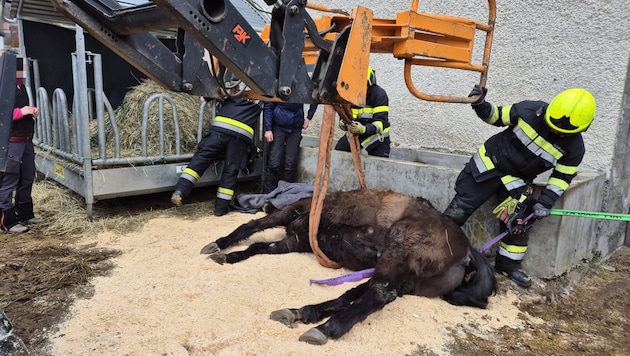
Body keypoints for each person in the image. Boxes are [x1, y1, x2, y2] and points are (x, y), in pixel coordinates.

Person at [443, 85, 597, 288]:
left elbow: (562, 177)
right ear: (548, 111)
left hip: (516, 181)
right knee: (459, 209)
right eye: (553, 128)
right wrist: (480, 104)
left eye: (563, 134)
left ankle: (508, 265)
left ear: (582, 129)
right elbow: (496, 116)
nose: (557, 134)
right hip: (489, 164)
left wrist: (545, 203)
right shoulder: (529, 111)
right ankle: (434, 248)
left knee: (519, 222)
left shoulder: (575, 149)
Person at [170, 93, 263, 216]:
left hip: (221, 127)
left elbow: (214, 90)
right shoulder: (264, 91)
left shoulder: (236, 85)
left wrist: (205, 98)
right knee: (231, 169)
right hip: (241, 134)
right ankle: (221, 208)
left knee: (202, 158)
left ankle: (181, 190)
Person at [0, 62, 44, 233]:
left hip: (25, 139)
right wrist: (21, 112)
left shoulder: (20, 86)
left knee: (27, 177)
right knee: (9, 179)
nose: (22, 70)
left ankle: (25, 213)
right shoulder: (3, 84)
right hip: (11, 141)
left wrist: (31, 112)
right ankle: (8, 222)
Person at [261, 102, 317, 194]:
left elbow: (315, 98)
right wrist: (268, 129)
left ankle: (287, 194)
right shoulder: (278, 88)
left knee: (291, 164)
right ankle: (268, 194)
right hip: (278, 127)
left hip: (295, 128)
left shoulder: (301, 89)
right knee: (274, 163)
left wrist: (309, 117)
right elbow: (268, 106)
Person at [335, 66, 391, 157]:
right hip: (356, 134)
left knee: (378, 164)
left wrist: (364, 129)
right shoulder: (351, 94)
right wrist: (343, 123)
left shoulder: (379, 95)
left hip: (377, 138)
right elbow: (345, 114)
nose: (359, 87)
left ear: (369, 82)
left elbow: (381, 123)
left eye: (362, 84)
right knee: (339, 152)